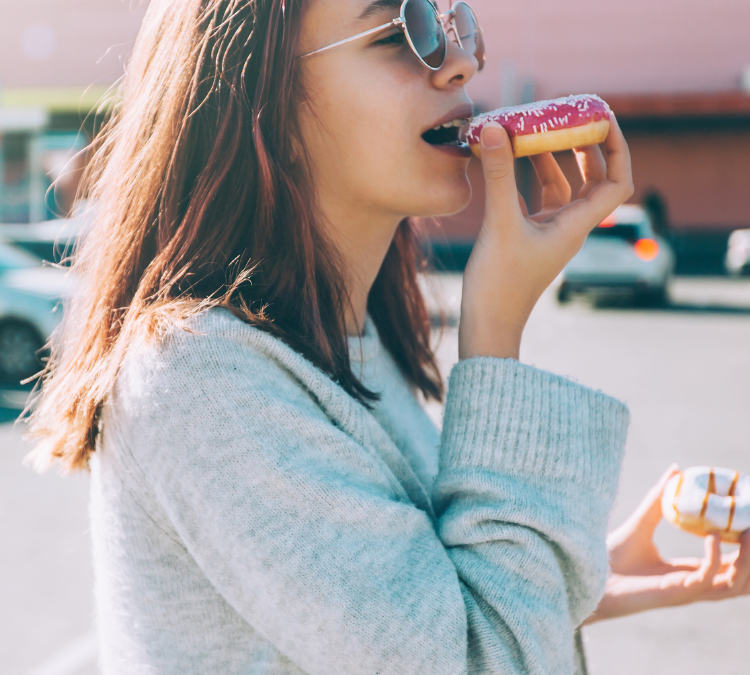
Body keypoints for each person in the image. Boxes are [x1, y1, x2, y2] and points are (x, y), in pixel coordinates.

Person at [27, 0, 750, 673]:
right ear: (261, 102)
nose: (460, 61)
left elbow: (416, 611)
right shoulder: (199, 378)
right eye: (397, 32)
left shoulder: (346, 330)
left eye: (446, 18)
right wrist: (494, 335)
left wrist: (595, 568)